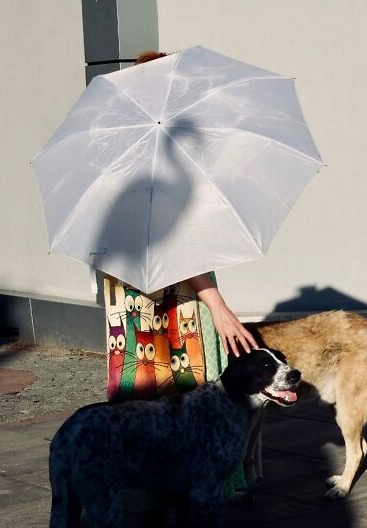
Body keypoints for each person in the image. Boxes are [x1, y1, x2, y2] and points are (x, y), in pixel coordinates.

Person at [103, 50, 258, 500]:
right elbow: (187, 247)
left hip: (131, 300)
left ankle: (150, 497)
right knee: (193, 405)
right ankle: (195, 506)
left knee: (144, 407)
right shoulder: (168, 161)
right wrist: (221, 310)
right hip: (173, 306)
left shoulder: (120, 156)